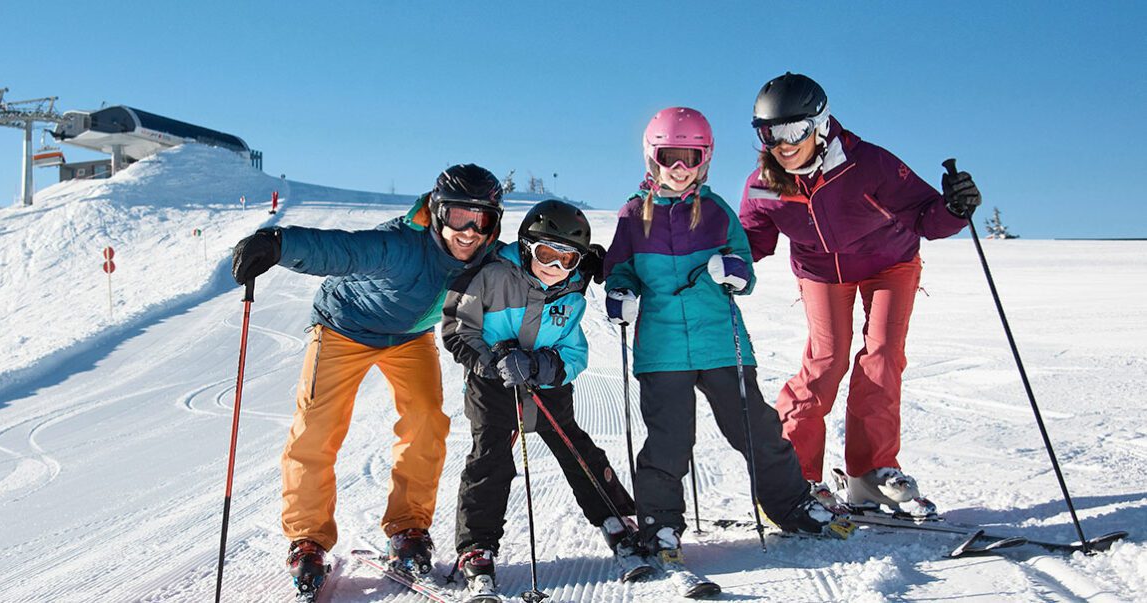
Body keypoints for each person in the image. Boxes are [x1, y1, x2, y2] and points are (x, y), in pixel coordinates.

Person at [230, 164, 506, 597]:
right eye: (458, 216)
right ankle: (308, 538)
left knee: (428, 420)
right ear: (437, 212)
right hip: (343, 327)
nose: (469, 231)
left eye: (482, 219)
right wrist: (278, 244)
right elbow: (338, 250)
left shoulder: (491, 255)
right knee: (318, 425)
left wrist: (583, 261)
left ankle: (408, 529)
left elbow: (534, 263)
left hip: (409, 338)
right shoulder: (398, 244)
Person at [604, 107, 852, 563]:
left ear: (706, 159)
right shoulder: (632, 215)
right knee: (670, 441)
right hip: (662, 351)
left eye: (690, 158)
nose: (679, 170)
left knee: (756, 428)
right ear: (651, 157)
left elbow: (743, 264)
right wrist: (620, 294)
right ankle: (659, 523)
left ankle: (792, 505)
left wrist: (735, 272)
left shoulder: (717, 211)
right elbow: (619, 270)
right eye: (669, 157)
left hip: (722, 342)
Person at [738, 73, 982, 515]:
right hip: (821, 271)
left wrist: (954, 208)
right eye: (770, 132)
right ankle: (795, 477)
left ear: (821, 123)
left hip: (890, 263)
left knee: (883, 355)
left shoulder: (868, 163)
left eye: (794, 130)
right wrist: (719, 263)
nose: (783, 144)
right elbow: (750, 243)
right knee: (825, 364)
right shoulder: (763, 185)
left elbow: (927, 217)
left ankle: (871, 474)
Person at [441, 200, 636, 594]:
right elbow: (457, 328)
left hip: (546, 383)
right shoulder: (492, 274)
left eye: (567, 260)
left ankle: (615, 517)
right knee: (490, 457)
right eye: (547, 254)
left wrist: (543, 367)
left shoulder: (573, 291)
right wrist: (493, 360)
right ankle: (477, 545)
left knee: (574, 447)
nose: (555, 267)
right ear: (527, 246)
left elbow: (576, 352)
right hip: (492, 384)